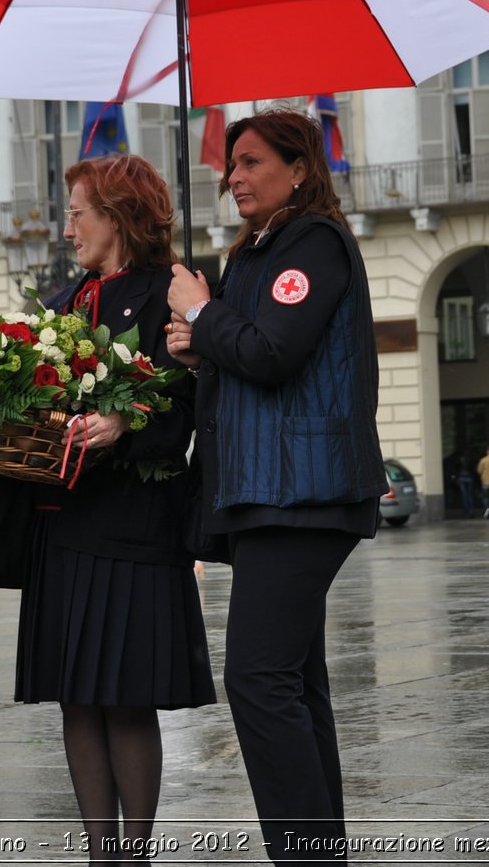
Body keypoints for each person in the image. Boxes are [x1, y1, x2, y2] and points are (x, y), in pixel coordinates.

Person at [0, 155, 214, 864]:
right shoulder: (71, 298)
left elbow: (190, 403)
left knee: (126, 697)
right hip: (61, 520)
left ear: (119, 214)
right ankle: (99, 853)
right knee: (77, 695)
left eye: (78, 211)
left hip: (133, 523)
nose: (67, 225)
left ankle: (133, 853)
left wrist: (127, 421)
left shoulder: (173, 290)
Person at [166, 108, 385, 865]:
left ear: (300, 168)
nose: (234, 178)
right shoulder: (255, 253)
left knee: (258, 680)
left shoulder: (313, 243)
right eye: (231, 166)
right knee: (294, 681)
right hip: (267, 490)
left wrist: (201, 311)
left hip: (304, 490)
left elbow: (275, 351)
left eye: (253, 161)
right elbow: (245, 359)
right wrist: (202, 350)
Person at [445, 446, 476, 517]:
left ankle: (467, 512)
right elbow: (473, 468)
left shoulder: (459, 459)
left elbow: (455, 468)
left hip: (461, 478)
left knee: (464, 496)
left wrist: (455, 476)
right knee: (470, 495)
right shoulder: (470, 459)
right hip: (469, 478)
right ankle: (471, 511)